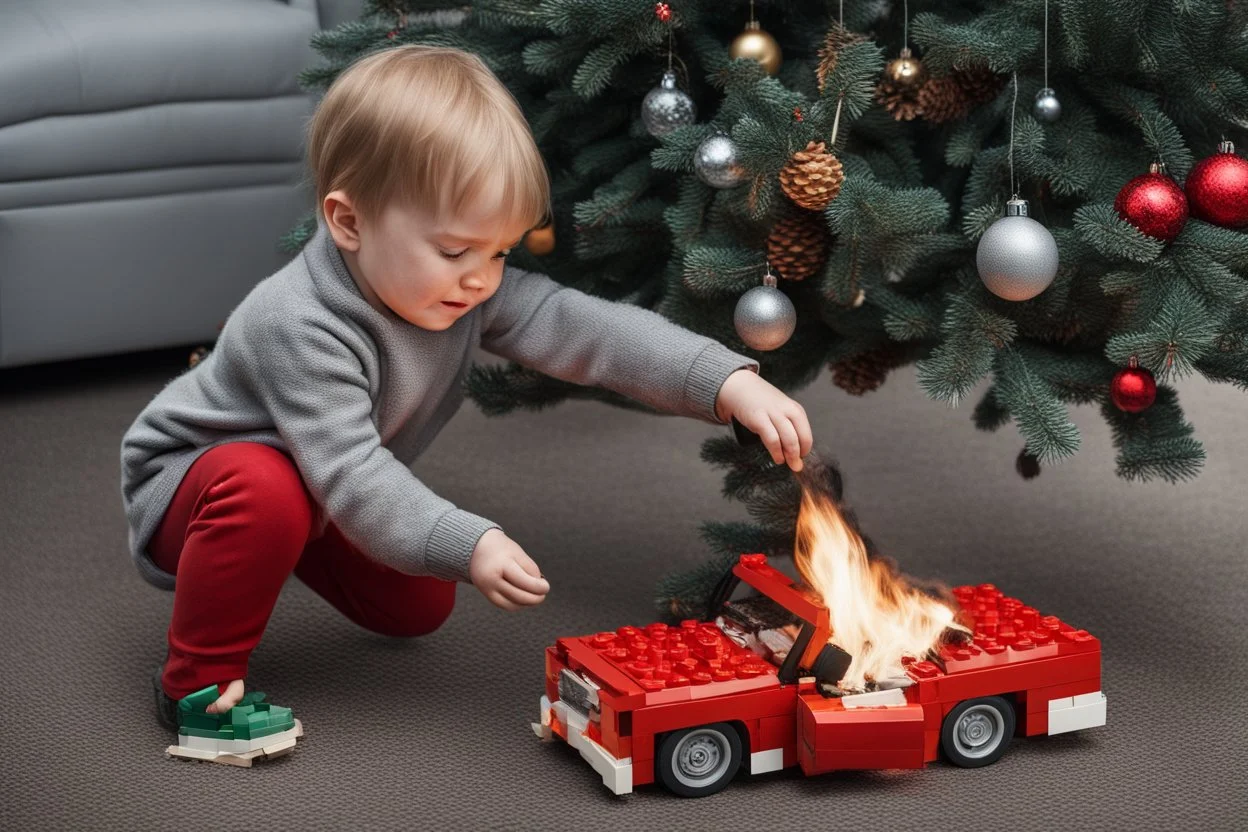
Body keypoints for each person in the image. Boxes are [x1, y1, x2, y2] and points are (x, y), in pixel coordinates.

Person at [120, 45, 813, 748]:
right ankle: (194, 687)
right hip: (197, 484)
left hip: (317, 478)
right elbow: (355, 469)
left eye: (500, 252)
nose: (481, 279)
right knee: (267, 491)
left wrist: (721, 380)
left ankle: (287, 540)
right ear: (349, 222)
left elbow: (587, 328)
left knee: (416, 604)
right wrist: (469, 539)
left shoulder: (465, 290)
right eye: (455, 252)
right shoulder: (297, 323)